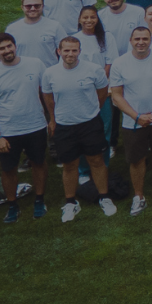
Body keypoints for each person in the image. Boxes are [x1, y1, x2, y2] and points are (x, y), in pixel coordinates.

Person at [107, 26, 152, 215]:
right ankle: (138, 196)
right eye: (137, 39)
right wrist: (136, 116)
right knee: (136, 159)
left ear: (150, 41)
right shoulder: (120, 63)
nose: (141, 42)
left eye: (145, 39)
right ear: (130, 41)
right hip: (133, 121)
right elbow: (117, 95)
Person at [43, 35, 115, 222]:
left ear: (79, 51)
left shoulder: (94, 70)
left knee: (97, 161)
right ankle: (70, 202)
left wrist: (91, 111)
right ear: (59, 51)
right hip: (64, 126)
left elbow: (102, 94)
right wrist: (53, 120)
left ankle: (104, 197)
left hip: (90, 124)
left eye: (74, 50)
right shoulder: (50, 73)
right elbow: (49, 100)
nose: (70, 54)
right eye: (66, 50)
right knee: (69, 165)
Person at [0, 33, 50, 223]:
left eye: (9, 46)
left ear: (15, 46)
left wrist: (51, 119)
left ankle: (39, 199)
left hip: (36, 125)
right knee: (8, 169)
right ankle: (12, 205)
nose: (7, 51)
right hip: (8, 131)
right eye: (2, 48)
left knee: (39, 163)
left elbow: (46, 93)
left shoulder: (35, 64)